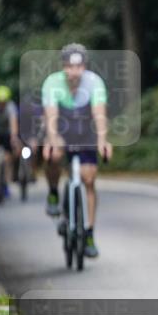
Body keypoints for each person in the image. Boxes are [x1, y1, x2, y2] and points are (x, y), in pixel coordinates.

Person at [41, 44, 113, 258]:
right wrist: (52, 140)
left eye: (79, 66)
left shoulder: (94, 82)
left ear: (85, 66)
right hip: (62, 126)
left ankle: (89, 232)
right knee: (53, 154)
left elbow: (99, 114)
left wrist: (102, 140)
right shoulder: (52, 83)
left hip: (85, 129)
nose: (74, 72)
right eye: (70, 67)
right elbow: (51, 117)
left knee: (89, 179)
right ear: (63, 67)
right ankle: (53, 192)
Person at [0, 85, 21, 198]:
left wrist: (14, 137)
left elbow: (13, 123)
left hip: (7, 133)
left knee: (8, 156)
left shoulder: (11, 107)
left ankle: (5, 183)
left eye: (4, 102)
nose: (2, 104)